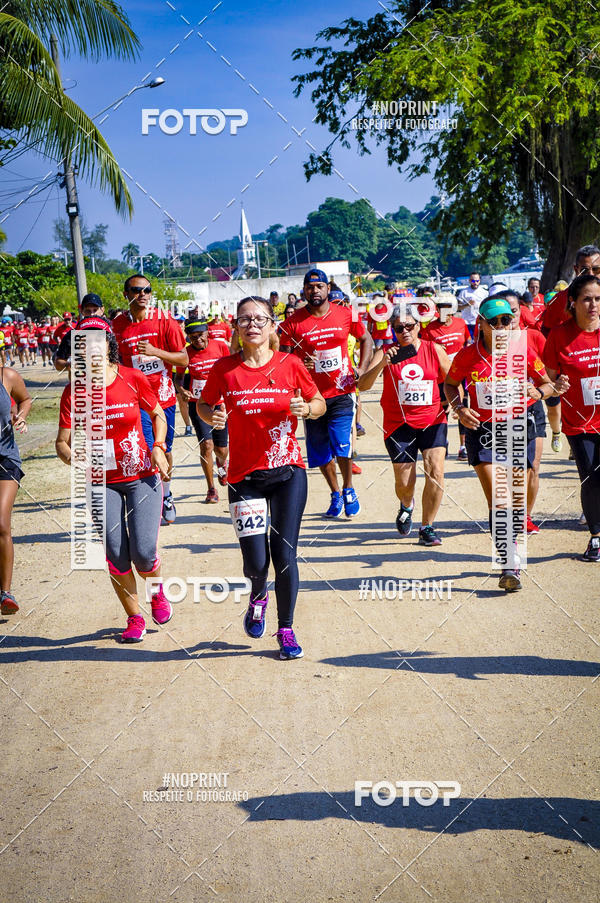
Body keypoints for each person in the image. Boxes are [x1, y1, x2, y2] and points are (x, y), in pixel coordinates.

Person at [197, 296, 326, 659]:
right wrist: (212, 417)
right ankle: (257, 596)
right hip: (244, 477)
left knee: (284, 554)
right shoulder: (224, 369)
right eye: (244, 319)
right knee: (256, 563)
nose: (252, 324)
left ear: (272, 326)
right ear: (236, 328)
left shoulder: (291, 364)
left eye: (259, 319)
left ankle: (286, 629)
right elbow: (203, 404)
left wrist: (308, 409)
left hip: (288, 472)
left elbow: (319, 403)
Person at [55, 316, 173, 642]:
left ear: (109, 343)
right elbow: (62, 442)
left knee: (145, 552)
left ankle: (157, 592)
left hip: (142, 476)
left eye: (98, 339)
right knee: (116, 554)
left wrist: (159, 447)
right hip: (101, 482)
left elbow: (158, 414)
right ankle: (135, 617)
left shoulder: (133, 377)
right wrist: (73, 456)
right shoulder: (73, 392)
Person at [444, 297, 564, 591]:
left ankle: (508, 549)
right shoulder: (466, 355)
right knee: (498, 498)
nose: (500, 326)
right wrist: (459, 408)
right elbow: (450, 383)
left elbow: (547, 383)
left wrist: (538, 391)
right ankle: (509, 563)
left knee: (514, 497)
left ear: (513, 322)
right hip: (481, 430)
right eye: (493, 321)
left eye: (506, 320)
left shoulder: (523, 349)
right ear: (481, 323)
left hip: (516, 428)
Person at [279, 268, 373, 518]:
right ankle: (335, 493)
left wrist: (361, 369)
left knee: (341, 442)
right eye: (310, 287)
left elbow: (367, 340)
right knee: (320, 451)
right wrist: (299, 363)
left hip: (342, 391)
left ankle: (349, 489)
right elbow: (282, 358)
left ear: (327, 289)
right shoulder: (292, 322)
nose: (315, 291)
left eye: (319, 286)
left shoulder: (344, 314)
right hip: (311, 396)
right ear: (304, 291)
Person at [359, 306, 451, 544]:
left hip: (432, 420)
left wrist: (457, 404)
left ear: (418, 326)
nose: (405, 331)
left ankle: (427, 527)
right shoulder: (386, 352)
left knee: (436, 472)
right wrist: (382, 365)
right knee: (404, 482)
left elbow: (452, 379)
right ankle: (406, 504)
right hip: (399, 424)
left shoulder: (434, 349)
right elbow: (364, 385)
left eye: (409, 326)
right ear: (393, 330)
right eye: (399, 328)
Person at [112, 275, 188, 525]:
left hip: (164, 398)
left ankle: (167, 494)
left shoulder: (165, 320)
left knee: (164, 449)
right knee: (146, 448)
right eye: (137, 290)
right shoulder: (117, 326)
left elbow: (183, 359)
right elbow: (116, 364)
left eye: (147, 290)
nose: (143, 294)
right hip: (136, 400)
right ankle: (150, 498)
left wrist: (156, 352)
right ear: (126, 294)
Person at [544, 274, 600, 561]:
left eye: (598, 299)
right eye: (587, 299)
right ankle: (595, 536)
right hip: (580, 422)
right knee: (591, 476)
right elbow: (547, 383)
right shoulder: (560, 335)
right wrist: (556, 387)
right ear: (574, 303)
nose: (593, 305)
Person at [174, 318, 230, 503]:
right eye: (193, 337)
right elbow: (179, 378)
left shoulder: (220, 347)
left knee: (222, 450)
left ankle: (222, 465)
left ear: (208, 333)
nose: (198, 340)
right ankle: (211, 489)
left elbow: (230, 373)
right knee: (206, 446)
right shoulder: (186, 353)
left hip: (220, 404)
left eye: (201, 335)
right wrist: (181, 390)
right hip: (198, 404)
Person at [421, 295, 471, 460]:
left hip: (462, 373)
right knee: (443, 410)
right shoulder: (429, 329)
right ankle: (442, 442)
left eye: (447, 308)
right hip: (441, 375)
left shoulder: (461, 323)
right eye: (441, 307)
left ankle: (463, 446)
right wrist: (436, 350)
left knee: (463, 407)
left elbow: (468, 342)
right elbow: (424, 352)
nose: (444, 311)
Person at [0, 363, 31, 614]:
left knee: (1, 523)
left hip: (5, 459)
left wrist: (20, 416)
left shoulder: (7, 376)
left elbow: (26, 399)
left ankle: (5, 593)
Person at [542, 245, 600, 334]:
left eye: (596, 269)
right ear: (576, 270)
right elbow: (547, 330)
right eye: (584, 270)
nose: (591, 274)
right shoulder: (560, 299)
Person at [54, 293, 105, 371]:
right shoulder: (73, 334)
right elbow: (58, 363)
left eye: (95, 310)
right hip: (82, 381)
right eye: (88, 310)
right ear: (82, 311)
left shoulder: (111, 331)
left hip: (109, 380)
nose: (92, 314)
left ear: (102, 310)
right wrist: (69, 364)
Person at [457, 273, 488, 338]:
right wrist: (467, 304)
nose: (475, 283)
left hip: (480, 322)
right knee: (469, 343)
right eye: (473, 281)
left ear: (479, 281)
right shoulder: (464, 292)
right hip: (467, 322)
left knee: (480, 342)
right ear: (469, 281)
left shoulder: (484, 292)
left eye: (477, 281)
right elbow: (458, 307)